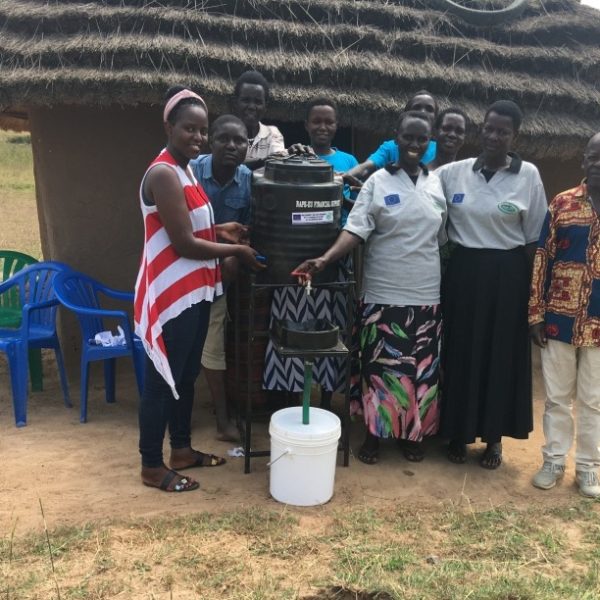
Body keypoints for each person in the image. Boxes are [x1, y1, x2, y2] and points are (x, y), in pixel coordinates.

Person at [293, 111, 447, 464]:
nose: (414, 144)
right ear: (396, 139)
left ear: (429, 143)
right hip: (382, 290)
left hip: (425, 292)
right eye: (407, 137)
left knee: (419, 369)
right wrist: (325, 259)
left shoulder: (437, 184)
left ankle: (411, 435)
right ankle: (374, 435)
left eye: (421, 139)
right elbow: (356, 229)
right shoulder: (378, 182)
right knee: (379, 367)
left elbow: (440, 237)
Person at [135, 86, 264, 492]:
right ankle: (151, 465)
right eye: (189, 128)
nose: (198, 137)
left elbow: (190, 225)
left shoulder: (185, 169)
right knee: (163, 380)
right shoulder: (163, 173)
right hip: (171, 294)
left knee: (186, 375)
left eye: (202, 130)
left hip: (194, 290)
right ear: (169, 127)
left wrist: (220, 229)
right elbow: (184, 244)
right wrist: (236, 250)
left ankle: (182, 450)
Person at [437, 100, 547, 469]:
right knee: (461, 351)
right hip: (464, 274)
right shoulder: (454, 173)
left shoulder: (528, 175)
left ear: (515, 136)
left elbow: (533, 240)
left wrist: (534, 296)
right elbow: (418, 183)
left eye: (503, 131)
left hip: (507, 277)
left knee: (499, 355)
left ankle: (494, 440)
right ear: (480, 129)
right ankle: (458, 433)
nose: (494, 136)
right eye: (489, 128)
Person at [263, 97, 359, 404]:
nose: (322, 127)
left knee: (332, 328)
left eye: (329, 121)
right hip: (294, 257)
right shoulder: (292, 156)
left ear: (337, 125)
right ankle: (291, 400)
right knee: (291, 326)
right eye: (316, 121)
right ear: (306, 125)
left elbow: (356, 207)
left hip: (334, 255)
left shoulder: (349, 161)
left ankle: (326, 402)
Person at [529, 131, 600, 498]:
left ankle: (588, 467)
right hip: (560, 317)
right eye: (593, 156)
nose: (598, 163)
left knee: (593, 400)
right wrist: (536, 314)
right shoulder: (562, 203)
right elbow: (543, 258)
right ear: (583, 160)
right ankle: (554, 461)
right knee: (557, 397)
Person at [190, 114, 252, 442]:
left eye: (239, 141)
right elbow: (179, 231)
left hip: (218, 279)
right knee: (181, 345)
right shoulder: (190, 173)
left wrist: (235, 251)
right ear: (210, 142)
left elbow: (249, 231)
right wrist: (225, 240)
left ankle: (223, 420)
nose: (231, 146)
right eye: (223, 139)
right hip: (184, 268)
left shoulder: (247, 180)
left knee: (212, 344)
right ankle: (179, 413)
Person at [345, 90, 438, 182]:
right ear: (406, 113)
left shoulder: (439, 150)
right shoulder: (390, 148)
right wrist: (343, 177)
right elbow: (365, 168)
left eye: (429, 109)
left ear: (436, 117)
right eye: (417, 107)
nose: (423, 112)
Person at [232, 70, 286, 170]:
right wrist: (265, 161)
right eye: (246, 100)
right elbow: (227, 166)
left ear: (265, 107)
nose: (252, 107)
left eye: (258, 102)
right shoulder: (228, 133)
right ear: (236, 103)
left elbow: (278, 163)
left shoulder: (272, 133)